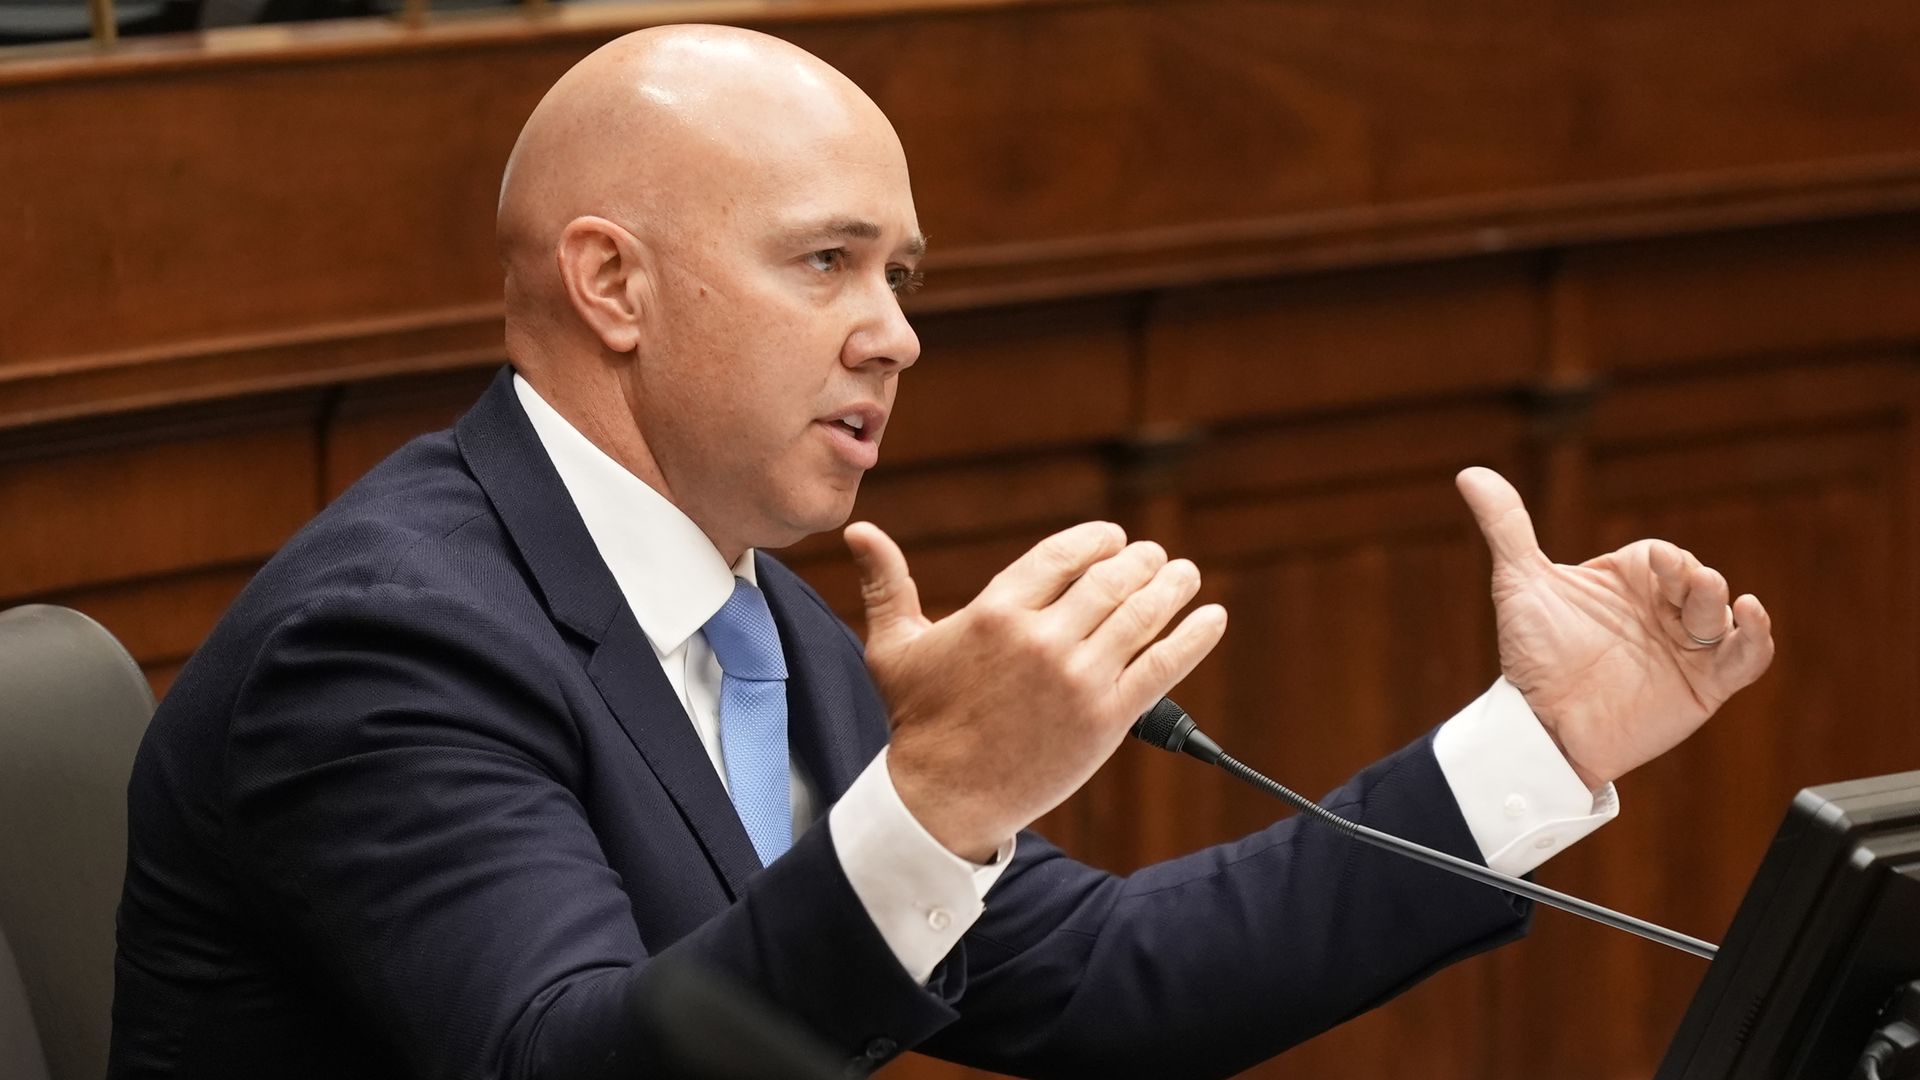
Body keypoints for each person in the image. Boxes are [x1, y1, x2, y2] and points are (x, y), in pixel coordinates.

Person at [107, 24, 1775, 1080]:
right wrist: (940, 803)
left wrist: (1537, 747)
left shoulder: (743, 611)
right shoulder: (392, 642)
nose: (894, 336)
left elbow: (1103, 983)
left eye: (902, 276)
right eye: (828, 263)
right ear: (614, 286)